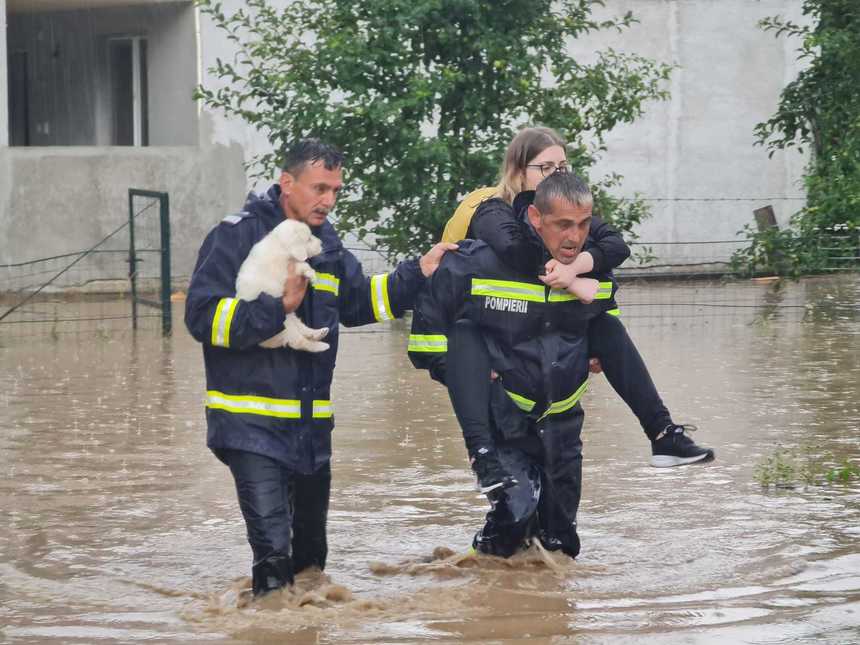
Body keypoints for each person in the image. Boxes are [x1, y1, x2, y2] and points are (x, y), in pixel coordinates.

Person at [185, 138, 454, 597]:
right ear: (286, 182)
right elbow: (201, 316)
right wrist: (277, 307)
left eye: (335, 190)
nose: (328, 200)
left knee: (311, 569)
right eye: (319, 188)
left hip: (310, 432)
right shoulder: (235, 236)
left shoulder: (325, 244)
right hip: (249, 427)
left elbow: (360, 302)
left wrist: (419, 272)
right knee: (273, 566)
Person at [441, 126, 714, 469]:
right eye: (546, 168)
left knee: (605, 326)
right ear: (517, 171)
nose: (557, 175)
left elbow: (615, 246)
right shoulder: (492, 211)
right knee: (516, 495)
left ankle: (663, 435)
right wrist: (575, 281)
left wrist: (575, 272)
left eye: (563, 167)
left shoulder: (569, 214)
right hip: (499, 343)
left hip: (549, 339)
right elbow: (517, 251)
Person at [410, 171, 618, 557]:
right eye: (544, 167)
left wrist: (592, 351)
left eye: (582, 224)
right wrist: (472, 375)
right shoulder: (481, 259)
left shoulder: (585, 265)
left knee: (559, 543)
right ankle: (482, 573)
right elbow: (427, 339)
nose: (573, 234)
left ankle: (541, 608)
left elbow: (604, 323)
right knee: (517, 513)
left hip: (560, 421)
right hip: (503, 413)